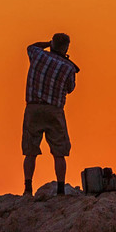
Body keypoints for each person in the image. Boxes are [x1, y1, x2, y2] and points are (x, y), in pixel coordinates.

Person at [22, 33, 78, 197]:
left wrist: (48, 44)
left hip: (33, 108)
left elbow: (30, 46)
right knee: (59, 152)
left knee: (30, 150)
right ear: (66, 47)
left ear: (52, 43)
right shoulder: (68, 68)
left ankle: (27, 189)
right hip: (55, 110)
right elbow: (70, 88)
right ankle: (60, 190)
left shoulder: (38, 55)